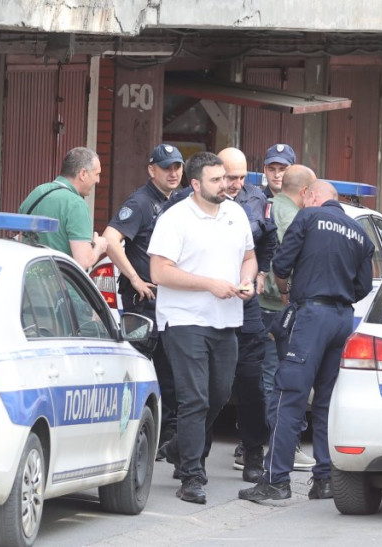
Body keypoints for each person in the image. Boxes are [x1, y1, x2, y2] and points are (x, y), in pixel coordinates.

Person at [239, 180, 373, 503]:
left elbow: (282, 264)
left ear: (311, 196)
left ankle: (276, 480)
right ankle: (324, 480)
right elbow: (364, 286)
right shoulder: (361, 234)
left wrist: (287, 291)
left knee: (289, 396)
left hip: (311, 316)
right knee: (325, 401)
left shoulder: (309, 217)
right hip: (342, 319)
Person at [149, 151, 258, 505]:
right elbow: (159, 272)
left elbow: (249, 257)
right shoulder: (175, 218)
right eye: (216, 180)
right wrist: (210, 285)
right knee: (194, 398)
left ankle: (179, 447)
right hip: (184, 319)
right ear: (195, 184)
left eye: (225, 178)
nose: (225, 185)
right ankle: (192, 476)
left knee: (220, 395)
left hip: (226, 318)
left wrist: (248, 279)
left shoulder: (235, 213)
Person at [101, 143, 183, 451]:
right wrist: (135, 278)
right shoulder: (141, 202)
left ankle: (162, 440)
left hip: (168, 302)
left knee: (168, 373)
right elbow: (110, 240)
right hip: (143, 303)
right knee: (139, 371)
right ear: (151, 170)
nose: (173, 173)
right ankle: (132, 439)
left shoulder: (176, 201)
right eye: (166, 168)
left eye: (177, 167)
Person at [218, 148, 278, 483]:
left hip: (246, 304)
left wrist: (261, 273)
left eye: (242, 177)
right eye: (230, 177)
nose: (237, 184)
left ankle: (253, 452)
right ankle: (189, 453)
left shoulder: (256, 199)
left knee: (252, 381)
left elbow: (267, 241)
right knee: (210, 386)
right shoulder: (189, 203)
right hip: (209, 304)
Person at [257, 163, 318, 470]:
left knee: (264, 376)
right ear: (305, 191)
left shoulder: (264, 206)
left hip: (259, 303)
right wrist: (289, 290)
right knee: (283, 380)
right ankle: (283, 447)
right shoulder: (295, 217)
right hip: (281, 306)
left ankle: (252, 446)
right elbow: (288, 260)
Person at [18, 146, 108, 269]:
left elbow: (21, 238)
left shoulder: (37, 192)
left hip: (28, 278)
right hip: (59, 280)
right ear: (83, 174)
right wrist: (99, 247)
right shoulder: (76, 205)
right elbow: (83, 261)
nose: (98, 180)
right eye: (96, 174)